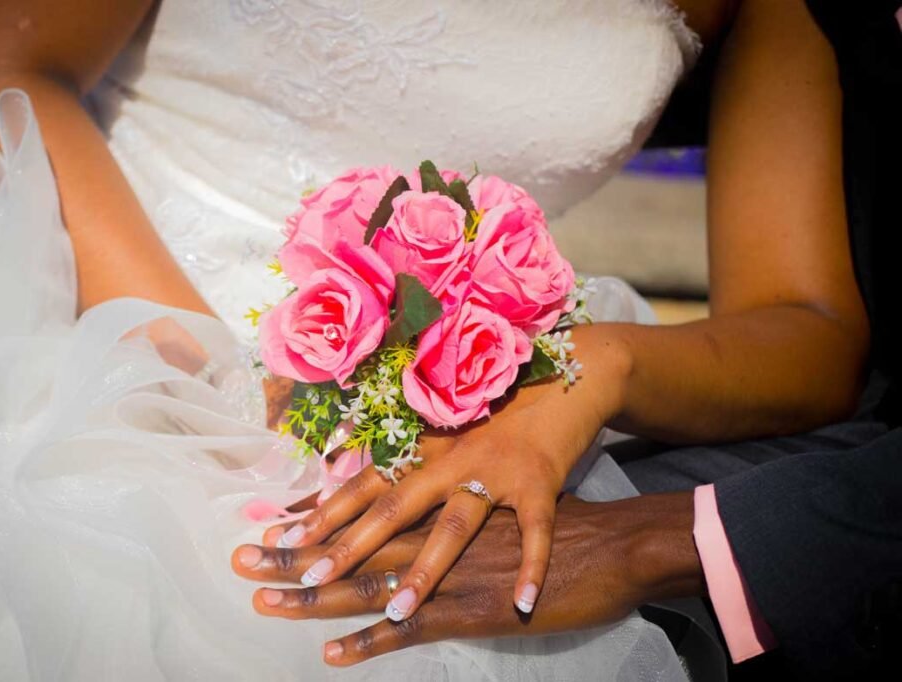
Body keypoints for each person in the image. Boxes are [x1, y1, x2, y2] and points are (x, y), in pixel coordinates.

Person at [0, 1, 719, 680]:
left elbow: (814, 325)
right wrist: (225, 394)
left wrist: (592, 370)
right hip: (79, 247)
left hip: (466, 382)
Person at [232, 1, 902, 679]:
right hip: (169, 342)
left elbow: (804, 321)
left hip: (509, 374)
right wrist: (211, 384)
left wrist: (586, 370)